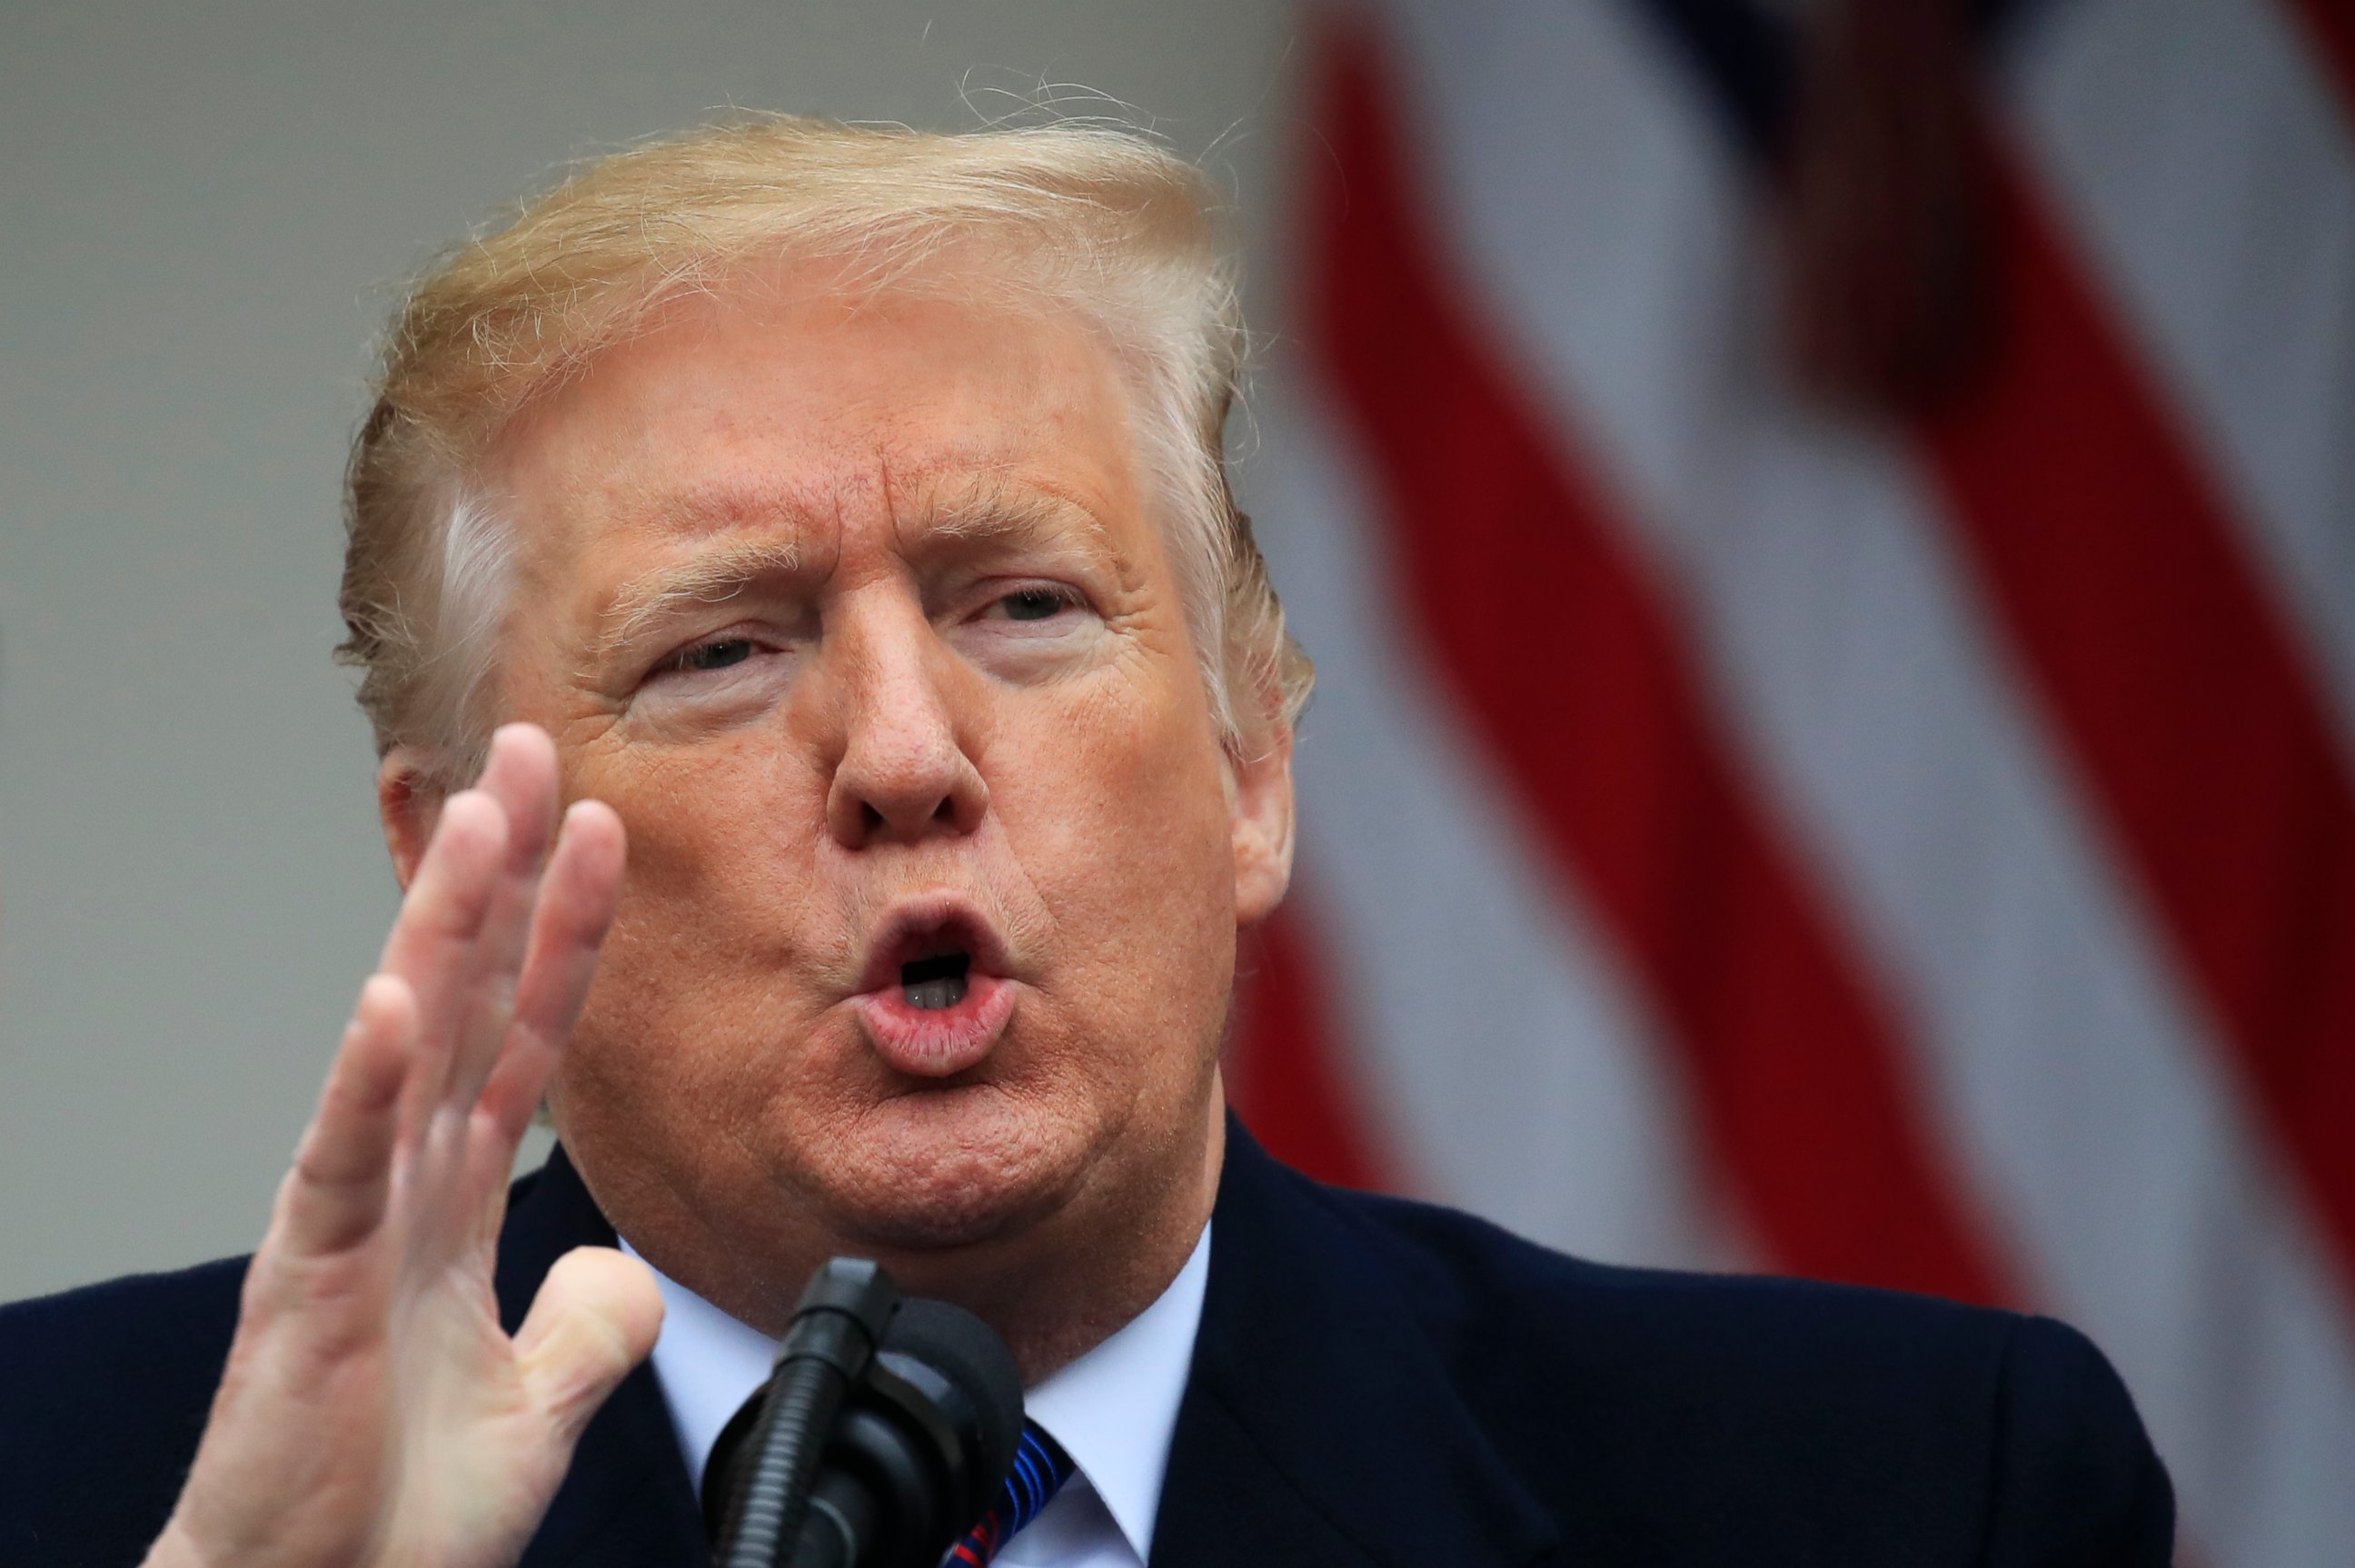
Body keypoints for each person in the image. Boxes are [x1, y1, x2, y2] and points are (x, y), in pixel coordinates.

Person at [0, 115, 2171, 1568]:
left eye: (1022, 604)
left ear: (1251, 764)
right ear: (462, 875)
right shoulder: (82, 1484)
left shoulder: (1900, 1492)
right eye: (722, 651)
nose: (904, 752)